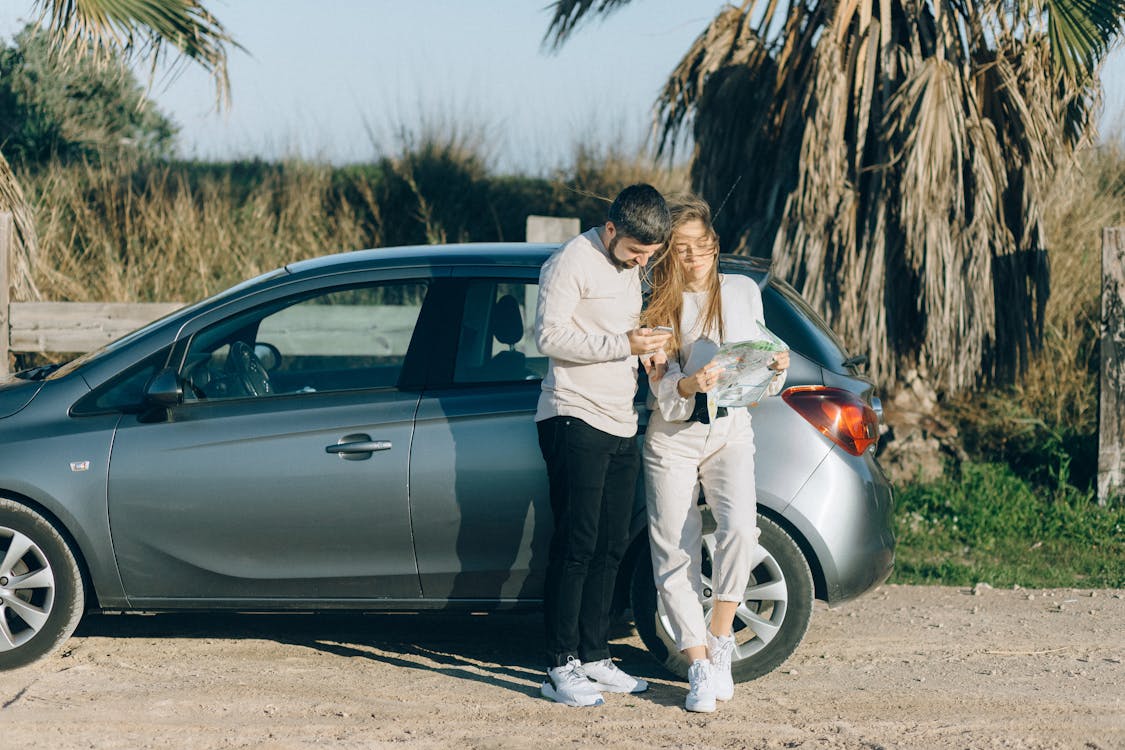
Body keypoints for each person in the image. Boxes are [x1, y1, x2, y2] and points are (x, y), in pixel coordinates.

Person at [640, 195, 789, 713]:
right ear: (668, 254)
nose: (693, 257)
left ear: (714, 246)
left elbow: (763, 364)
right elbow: (659, 393)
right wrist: (688, 384)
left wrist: (776, 369)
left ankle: (721, 637)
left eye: (701, 246)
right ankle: (699, 664)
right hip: (674, 436)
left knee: (741, 529)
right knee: (673, 549)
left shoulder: (744, 291)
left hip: (732, 428)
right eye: (681, 249)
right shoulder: (657, 303)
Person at [534, 184, 674, 707]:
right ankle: (558, 666)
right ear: (611, 229)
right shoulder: (570, 261)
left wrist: (646, 351)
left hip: (621, 419)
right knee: (577, 544)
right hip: (572, 414)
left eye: (650, 255)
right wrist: (624, 344)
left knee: (612, 544)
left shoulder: (633, 265)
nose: (642, 262)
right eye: (637, 251)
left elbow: (624, 329)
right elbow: (548, 337)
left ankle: (594, 656)